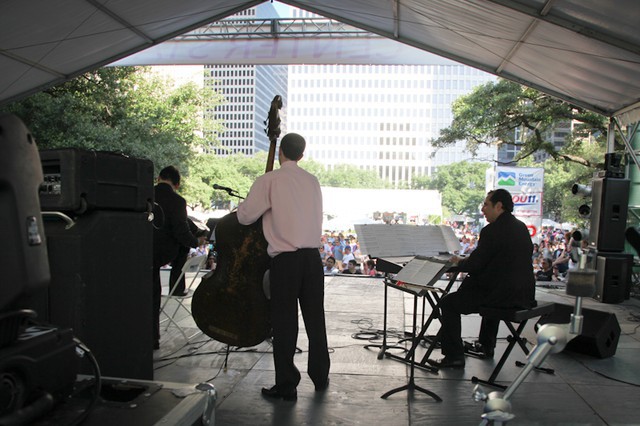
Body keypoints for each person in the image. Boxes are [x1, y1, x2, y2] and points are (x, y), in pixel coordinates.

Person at [237, 133, 330, 401]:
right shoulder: (313, 182)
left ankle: (287, 384)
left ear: (280, 153)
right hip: (313, 259)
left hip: (286, 261)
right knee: (316, 320)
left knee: (285, 322)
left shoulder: (270, 180)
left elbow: (245, 217)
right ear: (301, 154)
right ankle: (321, 376)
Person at [427, 189, 535, 369]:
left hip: (503, 296)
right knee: (491, 290)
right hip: (523, 295)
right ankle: (486, 345)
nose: (483, 209)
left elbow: (476, 264)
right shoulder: (520, 227)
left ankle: (454, 357)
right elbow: (495, 259)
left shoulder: (492, 230)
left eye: (486, 204)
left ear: (499, 206)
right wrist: (466, 261)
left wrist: (459, 263)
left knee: (448, 303)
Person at [152, 166, 207, 350]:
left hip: (141, 249)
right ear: (177, 184)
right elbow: (181, 233)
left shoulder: (145, 194)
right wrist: (196, 241)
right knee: (186, 240)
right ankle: (178, 287)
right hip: (163, 252)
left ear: (158, 178)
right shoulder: (177, 201)